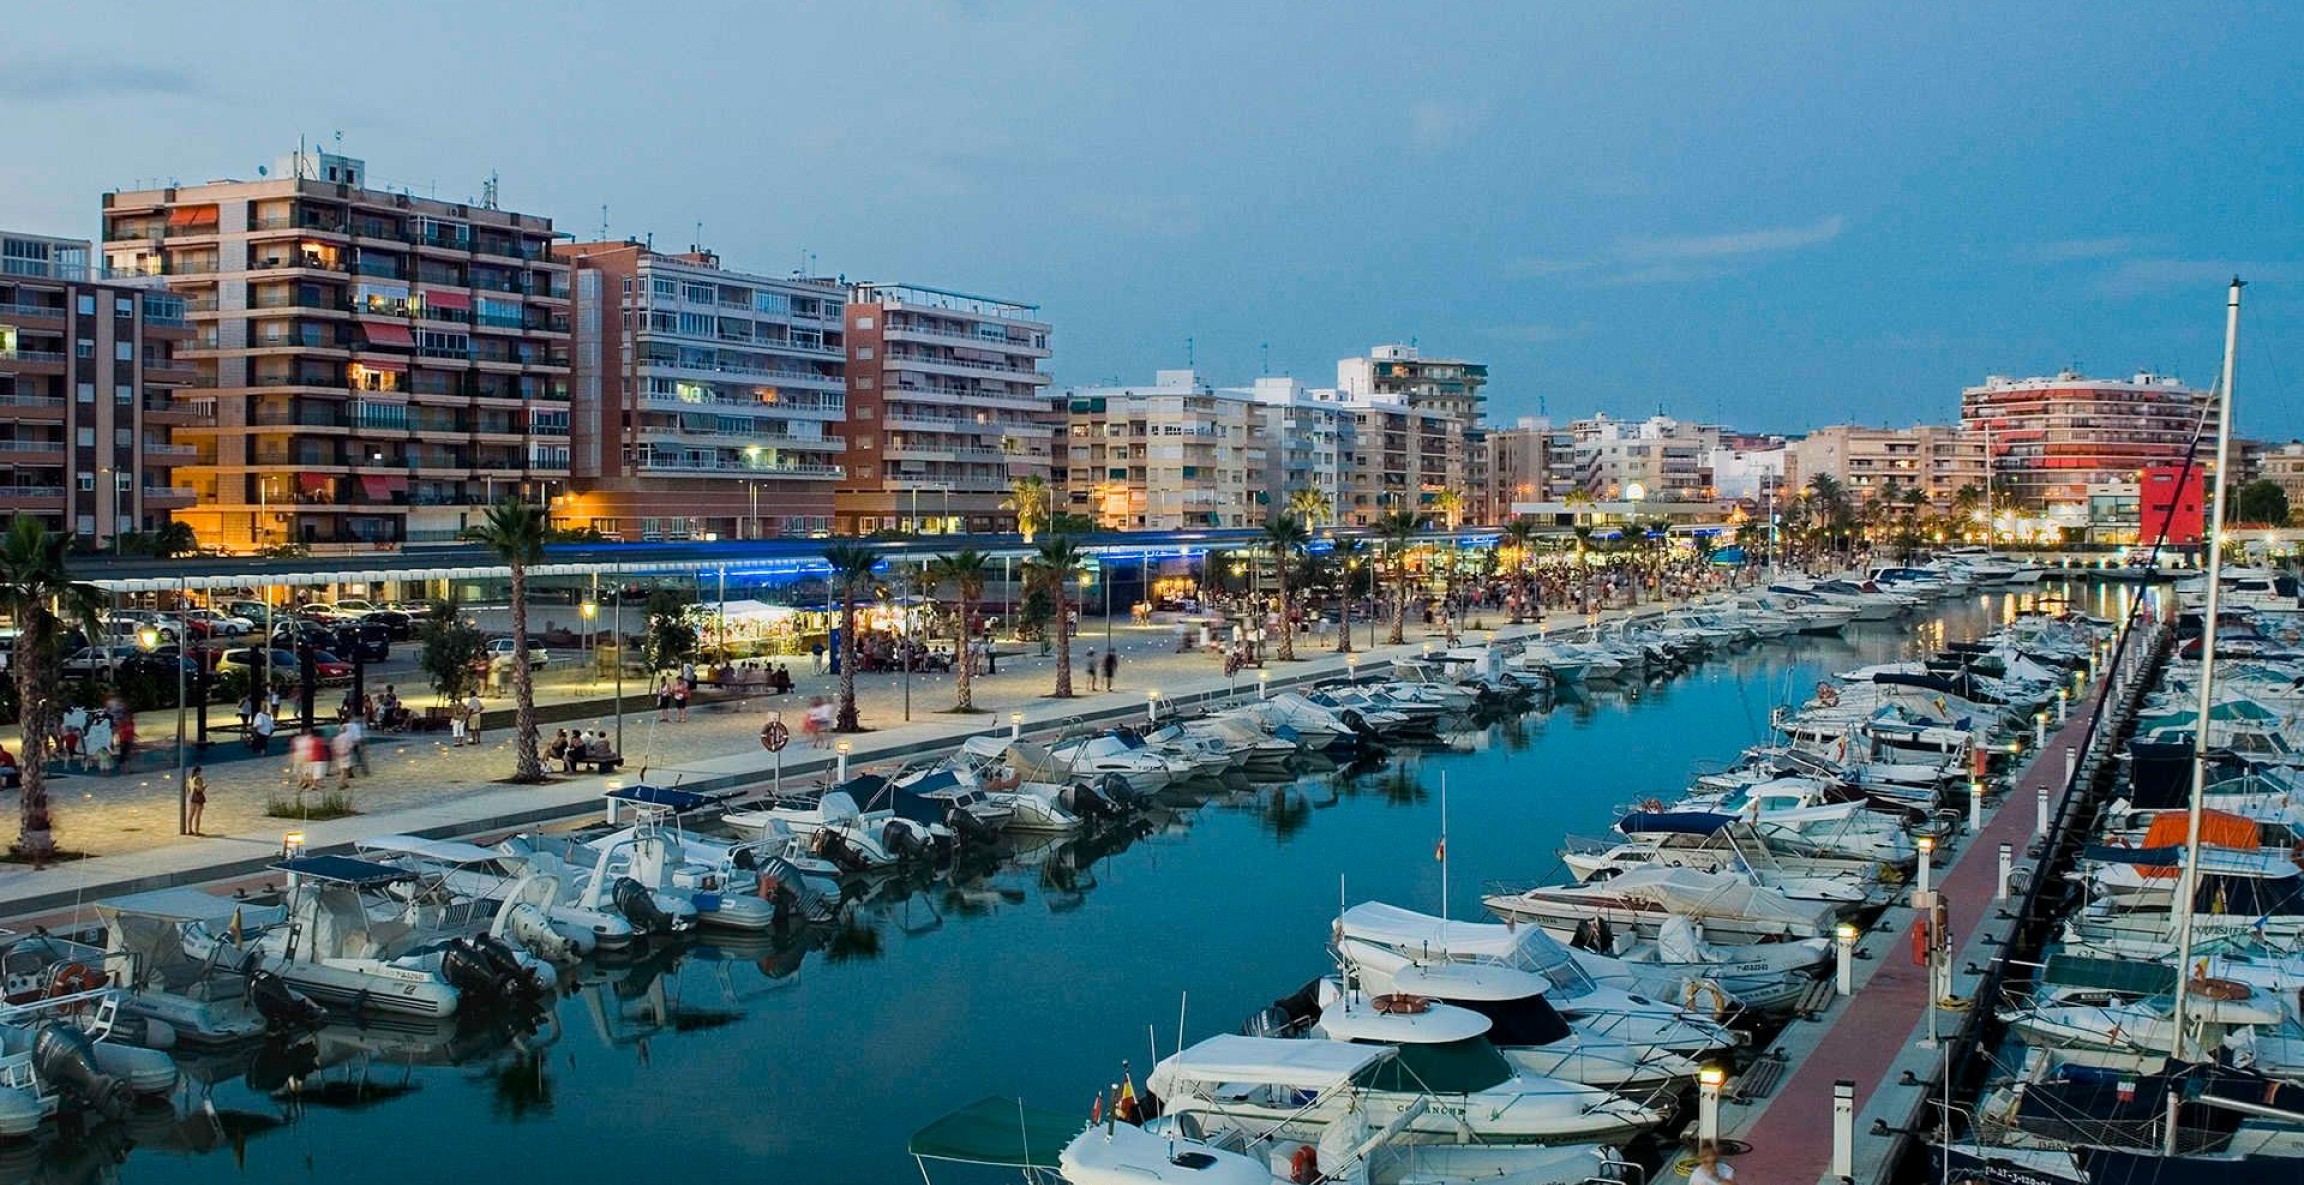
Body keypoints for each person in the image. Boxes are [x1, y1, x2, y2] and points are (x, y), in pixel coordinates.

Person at [186, 766, 207, 834]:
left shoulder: (190, 778)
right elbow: (200, 789)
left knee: (190, 815)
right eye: (200, 771)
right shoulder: (198, 779)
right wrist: (205, 786)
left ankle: (189, 830)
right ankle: (197, 831)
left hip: (192, 798)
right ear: (198, 771)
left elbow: (188, 789)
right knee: (198, 815)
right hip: (198, 799)